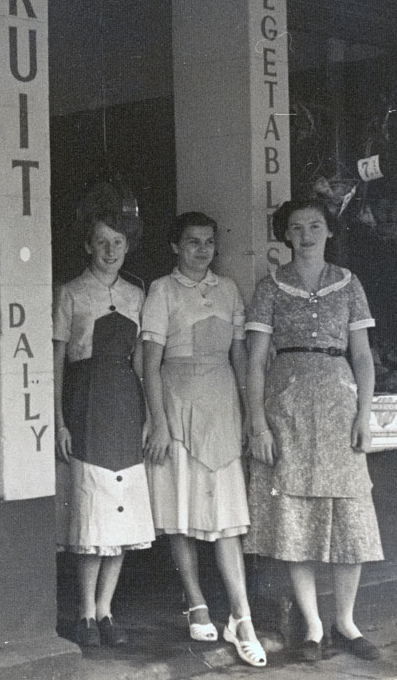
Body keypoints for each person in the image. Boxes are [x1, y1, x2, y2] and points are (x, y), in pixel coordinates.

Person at [243, 198, 383, 663]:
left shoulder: (349, 283)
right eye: (297, 227)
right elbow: (256, 361)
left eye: (315, 226)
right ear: (285, 234)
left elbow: (362, 355)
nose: (306, 235)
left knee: (351, 515)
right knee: (296, 517)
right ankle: (313, 626)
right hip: (288, 407)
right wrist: (257, 422)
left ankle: (346, 622)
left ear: (329, 231)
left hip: (340, 404)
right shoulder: (270, 287)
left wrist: (364, 414)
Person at [141, 212, 267, 668]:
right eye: (192, 242)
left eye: (209, 242)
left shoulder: (229, 289)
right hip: (176, 405)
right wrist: (159, 423)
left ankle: (241, 618)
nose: (202, 250)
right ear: (175, 246)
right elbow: (149, 364)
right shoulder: (162, 290)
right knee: (181, 511)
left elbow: (240, 357)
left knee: (227, 518)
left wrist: (250, 416)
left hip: (222, 407)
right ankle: (195, 600)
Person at [53, 203, 155, 648]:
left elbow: (142, 362)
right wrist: (58, 420)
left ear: (127, 247)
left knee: (121, 512)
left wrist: (150, 416)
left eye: (117, 243)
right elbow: (57, 360)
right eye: (101, 242)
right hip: (84, 402)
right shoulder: (70, 293)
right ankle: (84, 613)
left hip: (125, 405)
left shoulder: (137, 295)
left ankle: (106, 610)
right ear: (87, 246)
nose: (110, 251)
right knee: (92, 509)